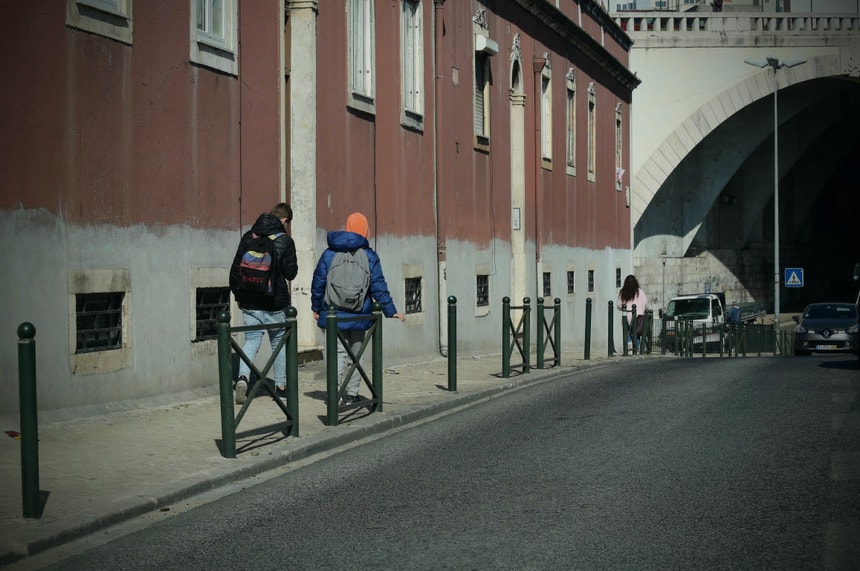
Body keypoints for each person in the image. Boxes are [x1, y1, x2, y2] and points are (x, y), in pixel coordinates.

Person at [311, 212, 405, 405]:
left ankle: (334, 393)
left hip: (333, 312)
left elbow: (318, 282)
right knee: (357, 353)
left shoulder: (329, 253)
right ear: (365, 229)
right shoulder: (370, 255)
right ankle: (352, 393)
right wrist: (391, 310)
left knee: (337, 353)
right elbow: (378, 285)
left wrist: (316, 307)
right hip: (361, 311)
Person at [229, 203, 298, 404]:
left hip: (249, 299)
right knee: (278, 341)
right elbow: (290, 273)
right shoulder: (285, 240)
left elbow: (235, 269)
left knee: (251, 339)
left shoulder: (248, 236)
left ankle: (242, 378)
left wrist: (238, 296)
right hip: (274, 301)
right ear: (284, 220)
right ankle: (280, 386)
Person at [617, 274, 647, 352]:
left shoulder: (623, 292)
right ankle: (636, 349)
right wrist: (641, 309)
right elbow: (645, 302)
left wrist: (625, 308)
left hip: (626, 316)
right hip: (638, 316)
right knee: (636, 333)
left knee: (628, 332)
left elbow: (619, 305)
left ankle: (628, 346)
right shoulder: (639, 291)